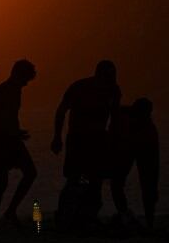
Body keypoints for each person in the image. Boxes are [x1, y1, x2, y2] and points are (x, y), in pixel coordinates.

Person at [51, 60, 122, 219]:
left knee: (95, 180)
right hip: (79, 139)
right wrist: (57, 137)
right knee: (75, 178)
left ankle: (87, 216)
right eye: (109, 75)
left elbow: (115, 118)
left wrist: (114, 142)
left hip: (97, 140)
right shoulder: (80, 87)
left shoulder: (112, 90)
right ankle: (67, 215)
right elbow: (61, 111)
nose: (111, 78)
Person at [0, 60, 38, 229]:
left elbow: (10, 117)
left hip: (12, 139)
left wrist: (16, 132)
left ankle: (9, 212)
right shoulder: (2, 91)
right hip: (0, 140)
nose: (26, 83)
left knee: (30, 173)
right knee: (2, 181)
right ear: (19, 75)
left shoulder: (15, 90)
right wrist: (13, 132)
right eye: (26, 79)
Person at [110, 97, 160, 229]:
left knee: (148, 184)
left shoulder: (149, 131)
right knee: (116, 181)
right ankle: (124, 212)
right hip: (128, 147)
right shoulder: (122, 114)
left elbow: (152, 172)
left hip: (144, 147)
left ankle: (149, 221)